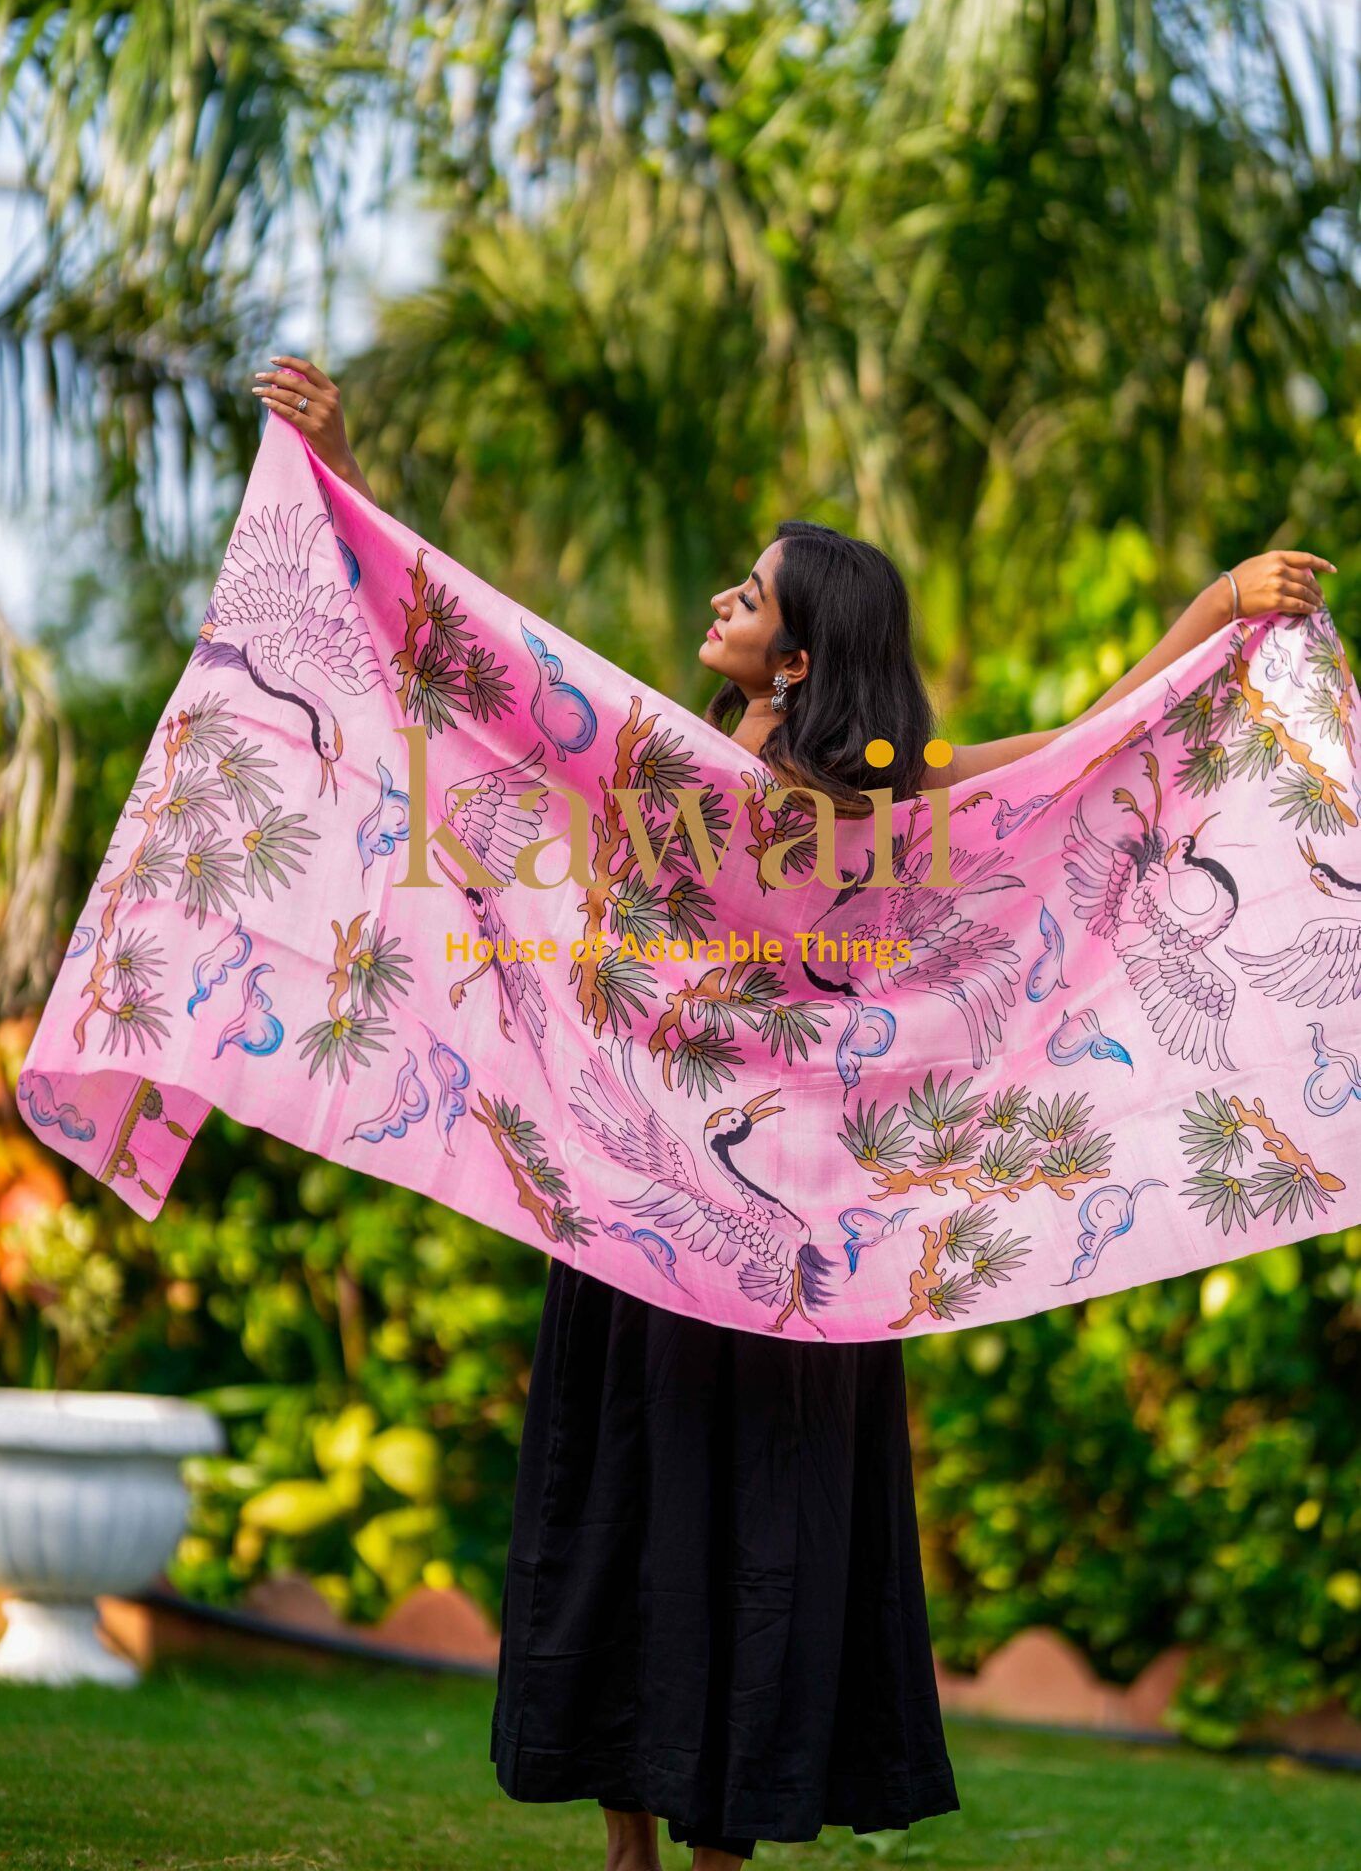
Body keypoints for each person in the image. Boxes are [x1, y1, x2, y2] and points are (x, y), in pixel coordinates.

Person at [252, 356, 1336, 1868]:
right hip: (639, 1206)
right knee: (630, 1509)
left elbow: (1080, 751)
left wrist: (1215, 613)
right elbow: (462, 668)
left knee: (751, 1538)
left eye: (749, 597)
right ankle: (634, 1850)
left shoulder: (879, 799)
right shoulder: (669, 770)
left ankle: (711, 1850)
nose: (719, 603)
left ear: (803, 661)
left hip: (789, 1248)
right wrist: (342, 486)